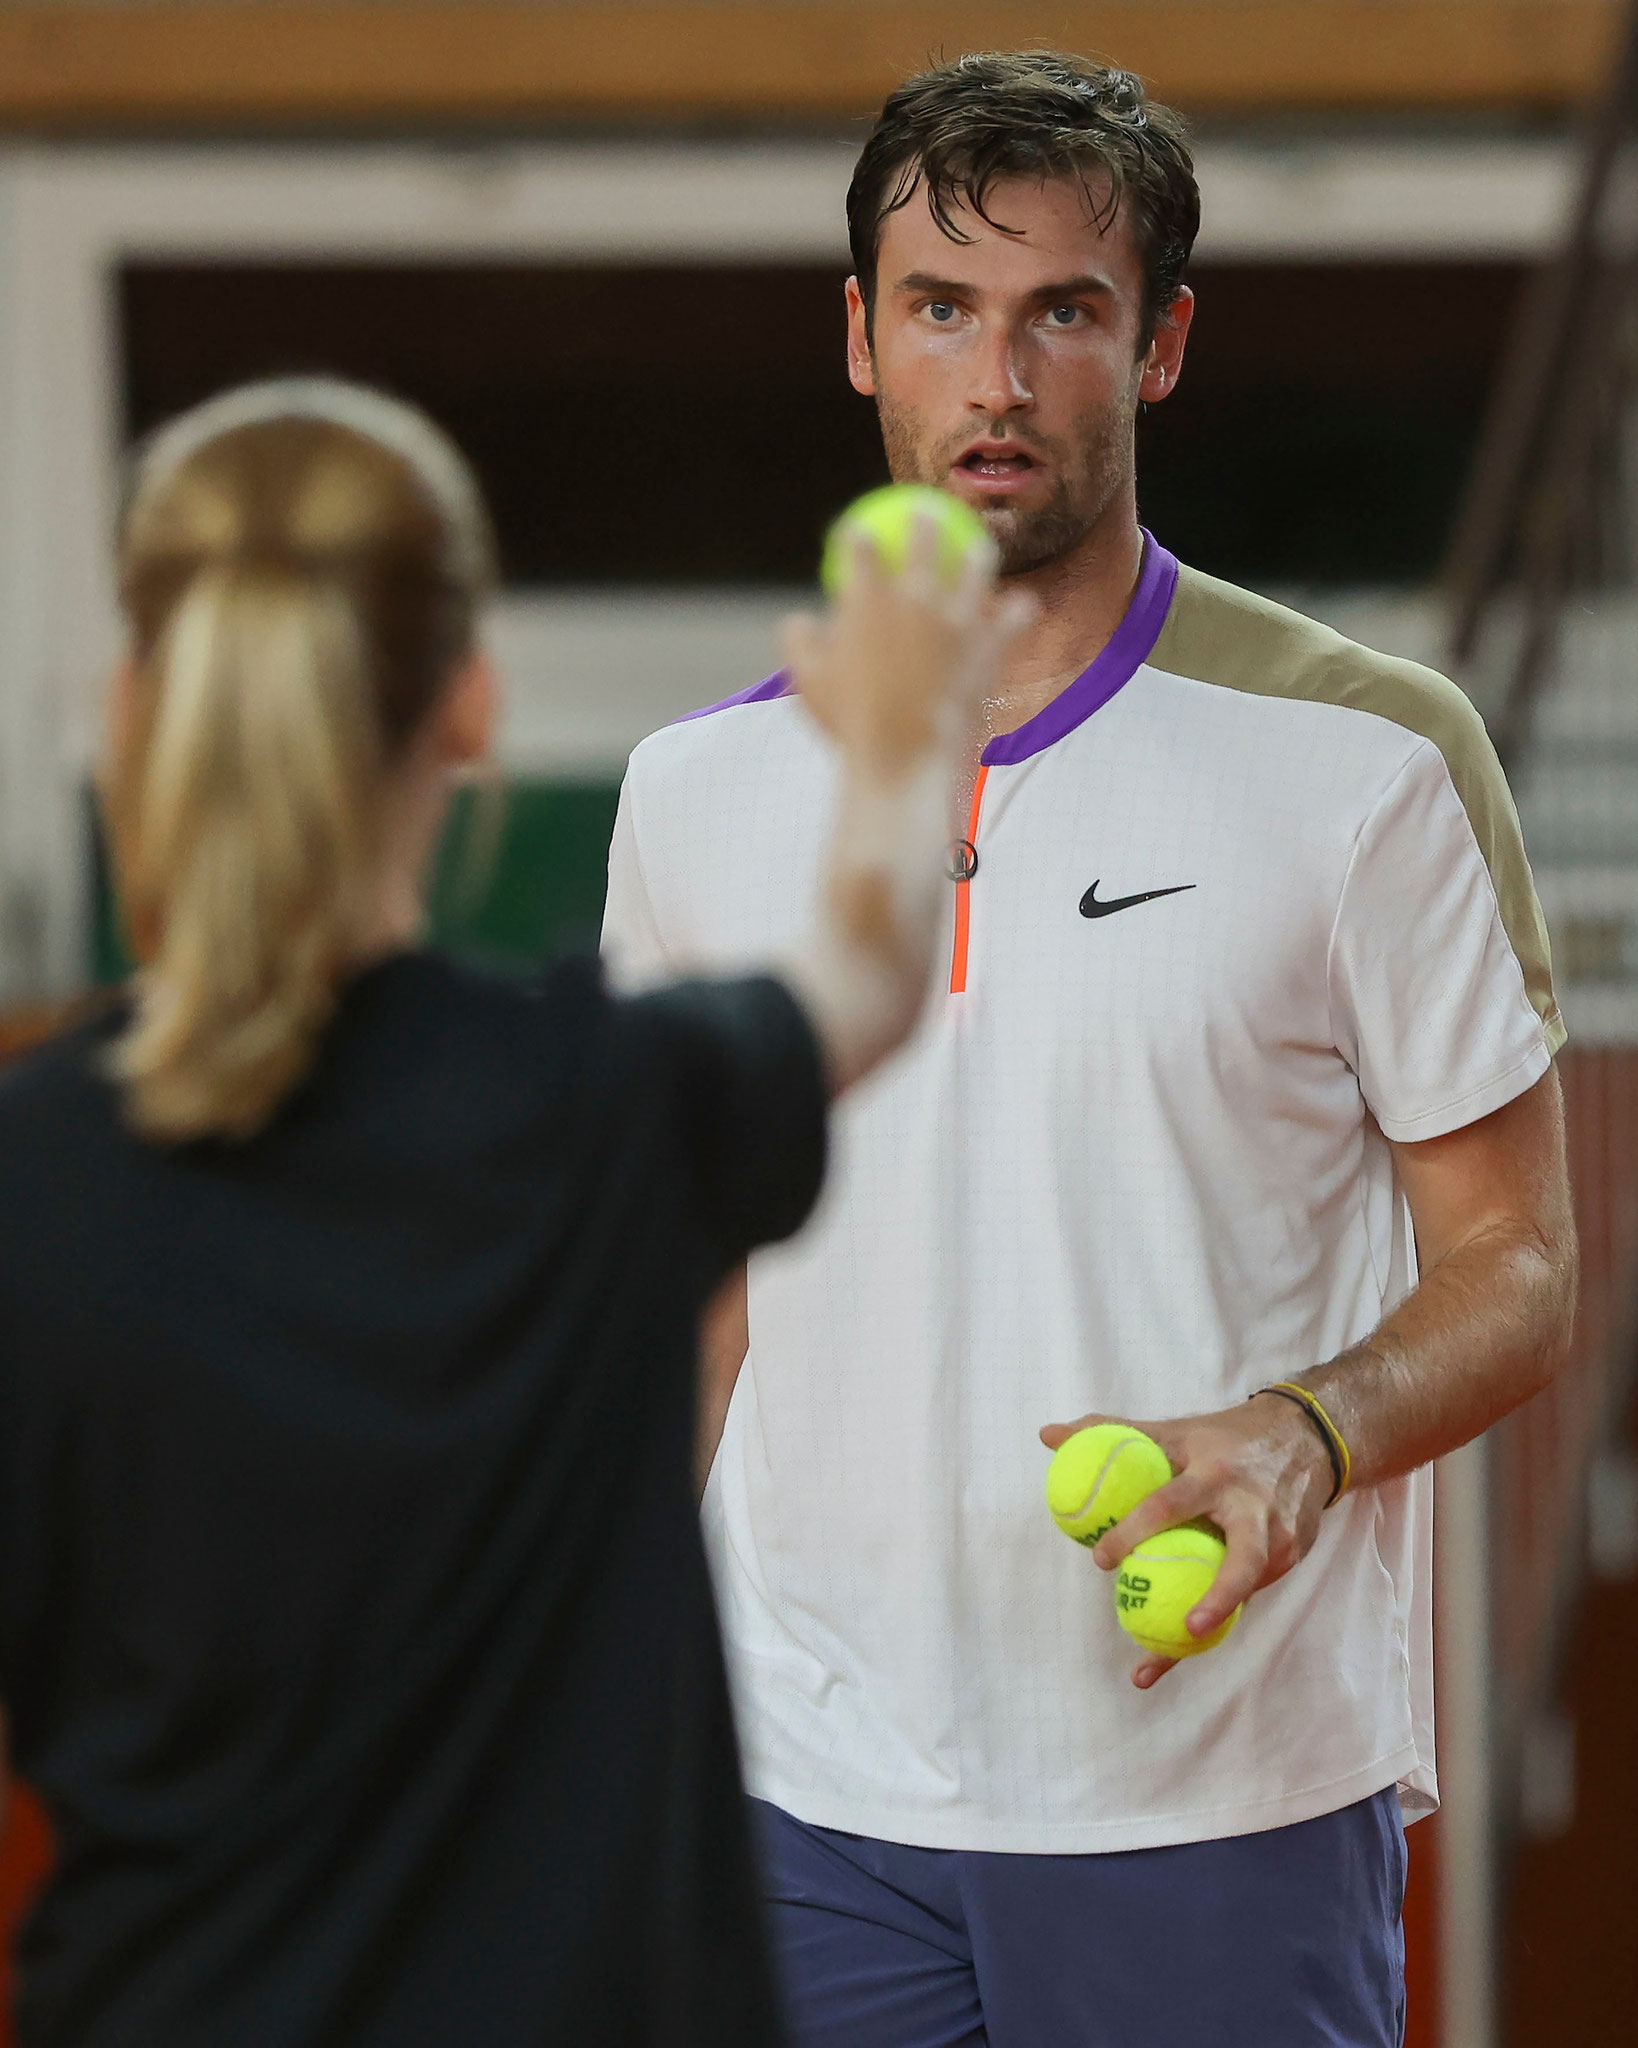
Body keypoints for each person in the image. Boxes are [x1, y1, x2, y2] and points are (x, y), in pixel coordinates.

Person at [600, 51, 1579, 2048]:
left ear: (1161, 347)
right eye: (946, 309)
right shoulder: (692, 793)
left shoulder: (1374, 764)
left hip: (1214, 1799)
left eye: (1066, 310)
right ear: (862, 336)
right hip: (797, 1798)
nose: (999, 378)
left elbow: (1524, 1263)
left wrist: (1312, 1435)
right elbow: (685, 1282)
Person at [0, 377, 1021, 2046]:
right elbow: (869, 975)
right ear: (468, 705)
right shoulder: (603, 1109)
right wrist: (909, 737)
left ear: (133, 702)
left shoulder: (30, 1180)